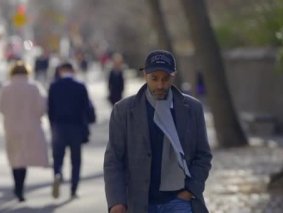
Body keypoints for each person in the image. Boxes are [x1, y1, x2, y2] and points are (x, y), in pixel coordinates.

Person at [103, 50, 212, 213]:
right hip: (139, 203)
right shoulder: (124, 110)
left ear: (173, 76)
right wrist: (117, 201)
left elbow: (203, 155)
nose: (160, 85)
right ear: (145, 75)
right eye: (154, 79)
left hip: (180, 201)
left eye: (165, 79)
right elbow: (114, 160)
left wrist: (190, 190)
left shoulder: (192, 109)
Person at [0, 61, 49, 202]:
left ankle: (17, 186)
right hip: (30, 127)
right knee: (24, 157)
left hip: (11, 126)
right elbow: (42, 107)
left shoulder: (6, 88)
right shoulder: (34, 87)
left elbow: (1, 107)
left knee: (15, 157)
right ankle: (20, 188)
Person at [48, 62, 95, 199]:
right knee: (76, 160)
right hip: (76, 127)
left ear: (61, 71)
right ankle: (73, 189)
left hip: (59, 127)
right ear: (72, 70)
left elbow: (50, 109)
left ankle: (58, 173)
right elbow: (87, 108)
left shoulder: (54, 86)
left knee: (58, 156)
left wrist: (52, 126)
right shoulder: (80, 86)